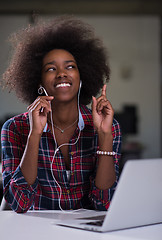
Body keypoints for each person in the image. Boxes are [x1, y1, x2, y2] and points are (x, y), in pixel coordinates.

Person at [1, 15, 121, 213]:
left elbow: (104, 204)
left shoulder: (109, 126)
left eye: (70, 66)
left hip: (87, 232)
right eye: (51, 69)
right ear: (39, 82)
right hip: (35, 230)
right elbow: (19, 204)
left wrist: (105, 135)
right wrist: (35, 134)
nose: (62, 73)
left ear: (81, 77)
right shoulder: (14, 128)